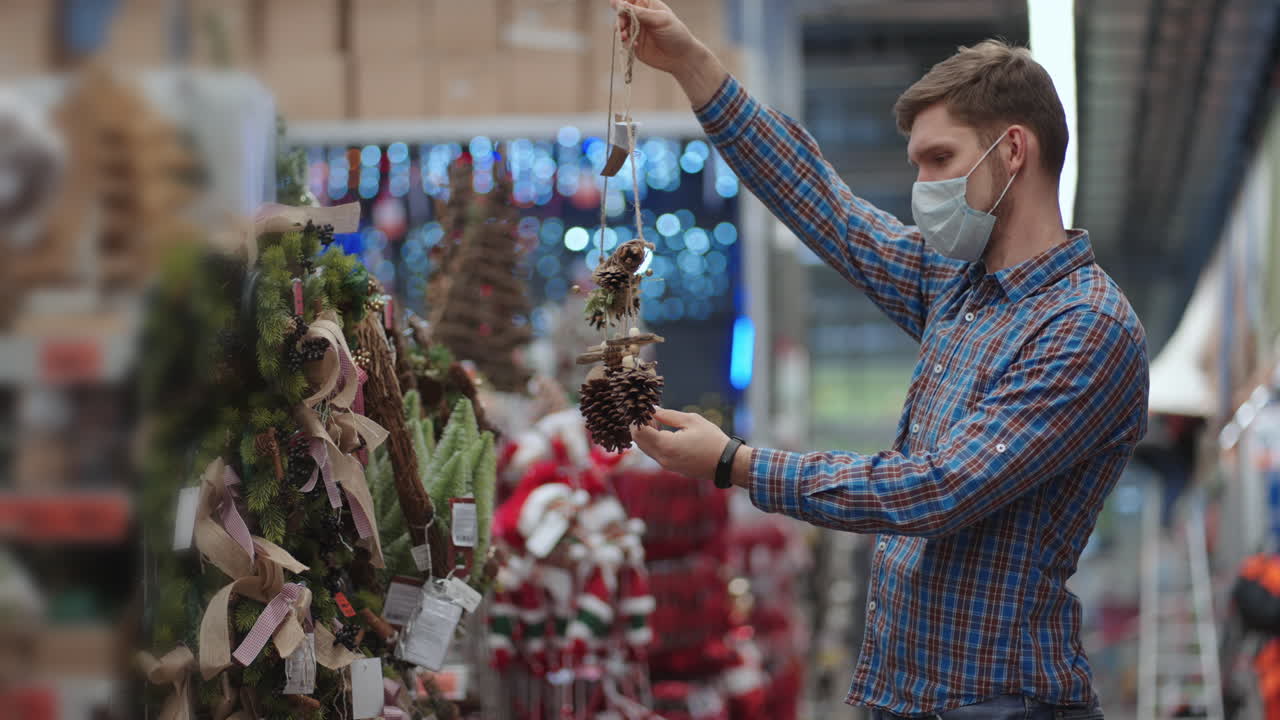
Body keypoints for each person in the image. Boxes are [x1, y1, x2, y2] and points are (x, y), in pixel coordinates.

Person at [615, 1, 1149, 718]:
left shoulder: (1085, 328)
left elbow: (938, 491)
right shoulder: (960, 290)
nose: (923, 187)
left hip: (999, 703)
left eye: (941, 160)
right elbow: (824, 205)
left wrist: (738, 464)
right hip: (906, 696)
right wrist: (691, 64)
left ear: (1014, 151)